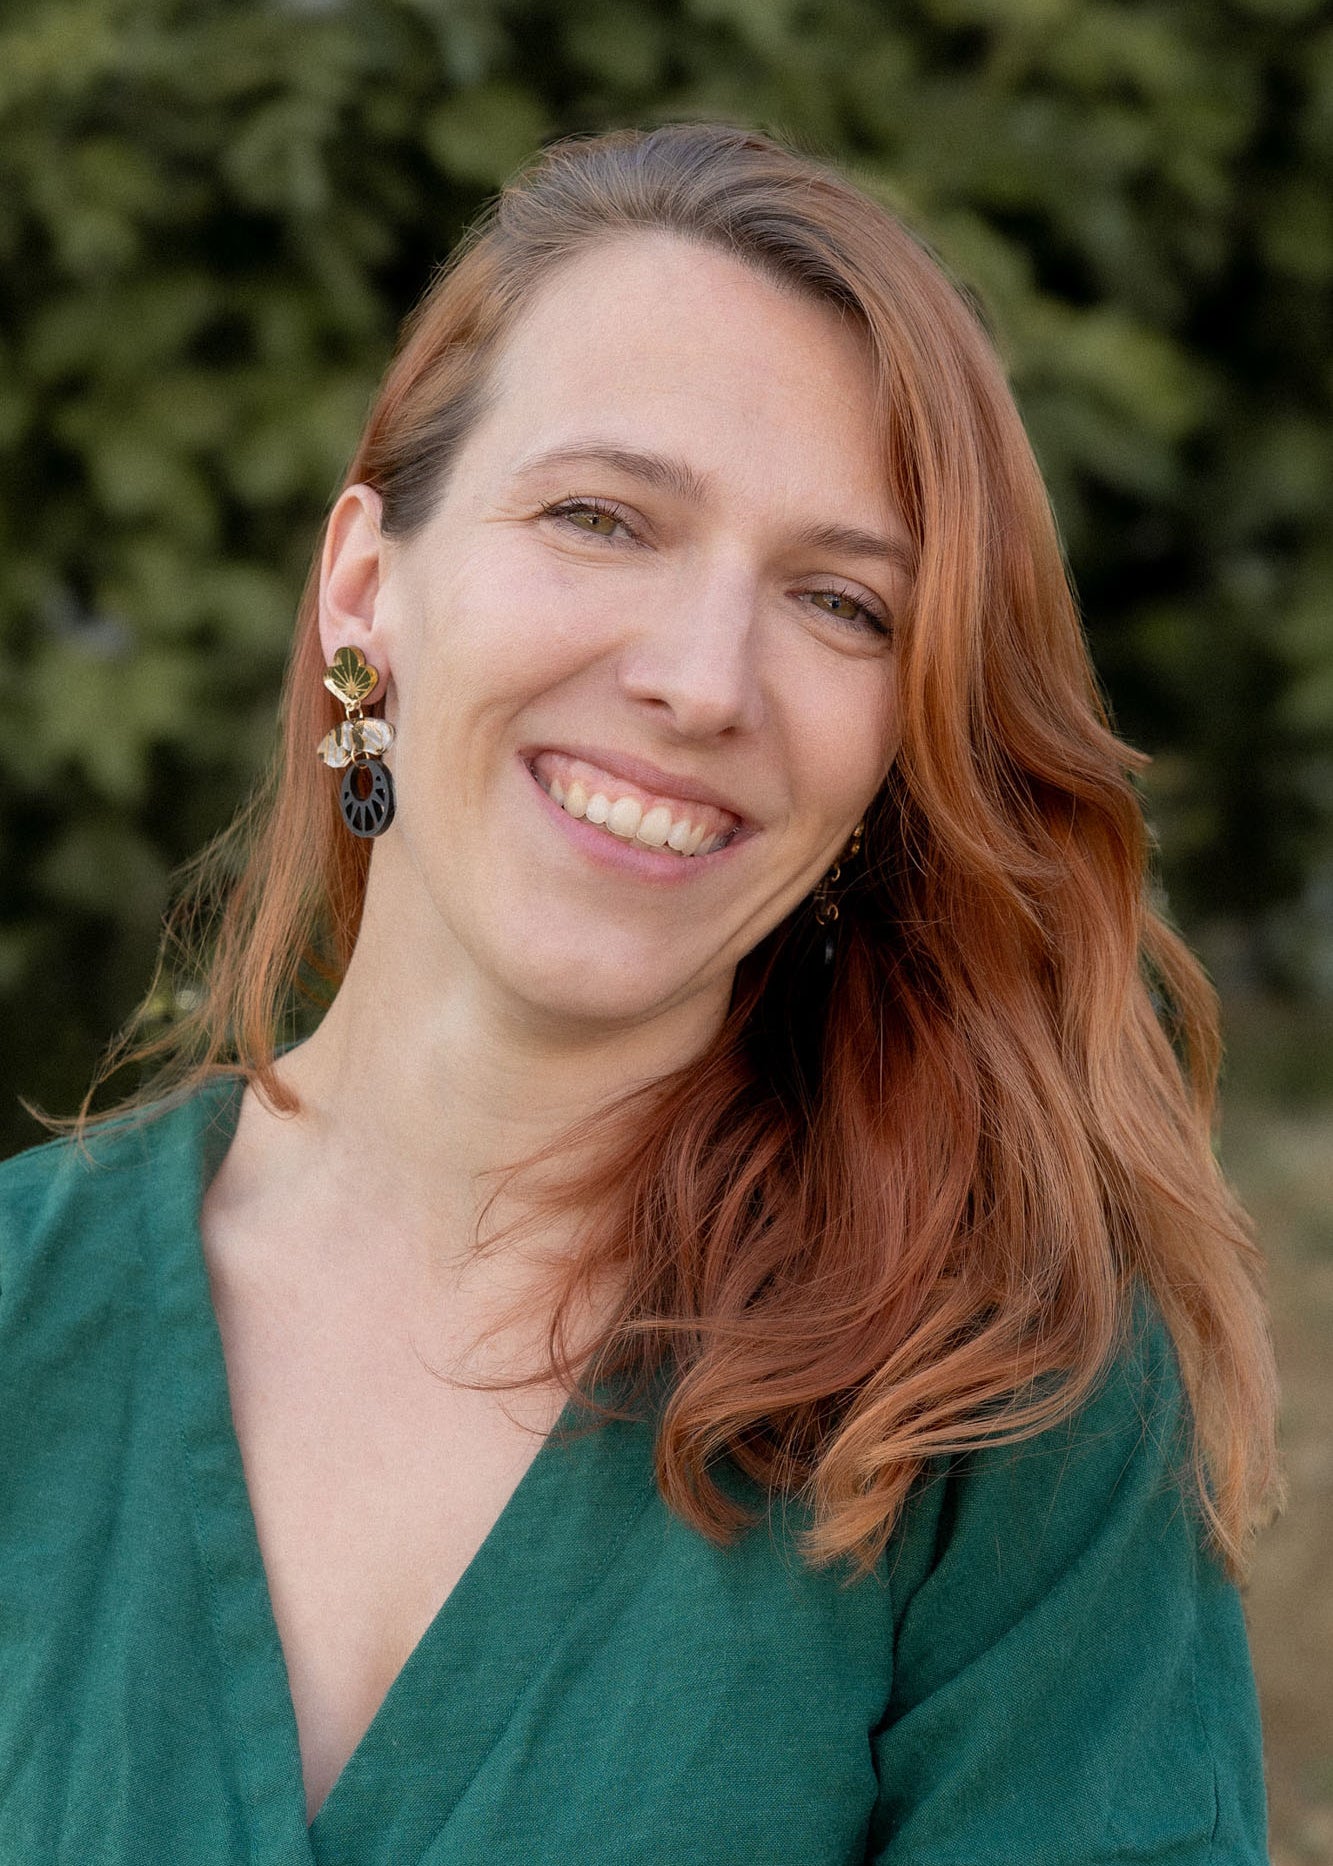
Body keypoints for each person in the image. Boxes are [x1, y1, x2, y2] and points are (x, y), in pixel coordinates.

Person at [0, 123, 1279, 1863]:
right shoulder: (25, 1316)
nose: (698, 678)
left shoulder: (1004, 1401)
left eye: (840, 602)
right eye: (601, 517)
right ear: (365, 591)